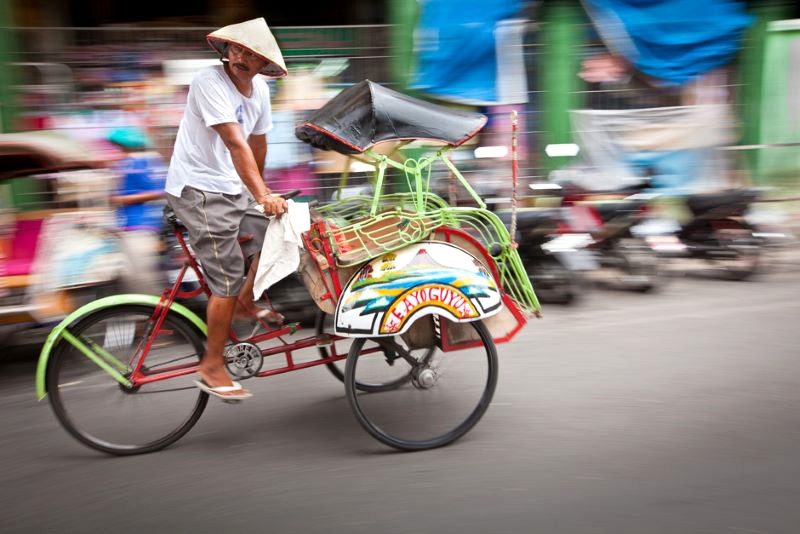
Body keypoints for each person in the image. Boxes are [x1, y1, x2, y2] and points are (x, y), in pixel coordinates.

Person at [165, 18, 289, 401]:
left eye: (250, 53)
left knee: (279, 232)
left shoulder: (261, 92)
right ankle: (211, 366)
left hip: (231, 188)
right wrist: (261, 192)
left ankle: (244, 304)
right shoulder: (208, 82)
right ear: (227, 50)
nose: (240, 56)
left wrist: (261, 196)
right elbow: (236, 143)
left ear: (262, 63)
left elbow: (258, 144)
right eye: (236, 48)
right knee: (227, 276)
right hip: (197, 189)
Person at [107, 127, 169, 296]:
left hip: (136, 228)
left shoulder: (130, 164)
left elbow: (157, 192)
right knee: (144, 276)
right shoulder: (155, 162)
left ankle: (155, 315)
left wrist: (120, 200)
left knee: (140, 278)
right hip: (150, 226)